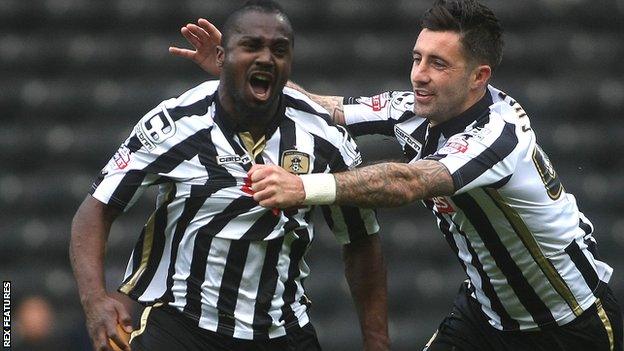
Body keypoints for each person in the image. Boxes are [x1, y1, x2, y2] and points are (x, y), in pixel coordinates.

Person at [173, 0, 624, 350]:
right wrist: (244, 72)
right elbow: (323, 107)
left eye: (438, 64)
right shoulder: (418, 107)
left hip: (569, 323)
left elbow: (408, 182)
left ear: (478, 76)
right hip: (486, 317)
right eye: (417, 58)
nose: (419, 76)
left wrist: (304, 187)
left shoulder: (498, 135)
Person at [70, 1, 389, 351]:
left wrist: (376, 343)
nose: (266, 58)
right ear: (221, 57)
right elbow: (97, 208)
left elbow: (361, 240)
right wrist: (94, 300)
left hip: (282, 332)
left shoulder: (324, 139)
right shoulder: (176, 125)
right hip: (183, 327)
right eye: (251, 46)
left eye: (279, 50)